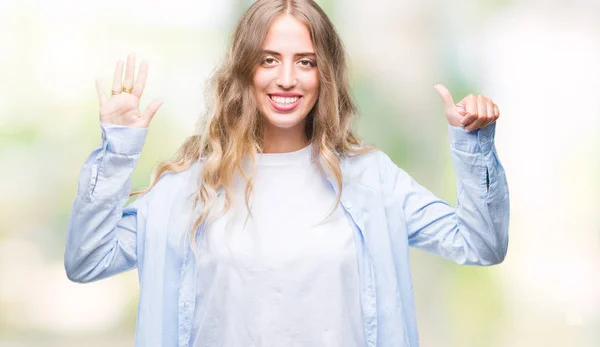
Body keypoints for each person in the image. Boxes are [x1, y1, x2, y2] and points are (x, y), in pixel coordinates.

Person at [64, 0, 509, 346]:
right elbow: (88, 260)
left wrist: (474, 146)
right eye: (269, 59)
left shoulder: (372, 179)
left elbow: (480, 244)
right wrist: (118, 148)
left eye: (306, 61)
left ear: (325, 74)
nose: (287, 79)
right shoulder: (189, 187)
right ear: (244, 70)